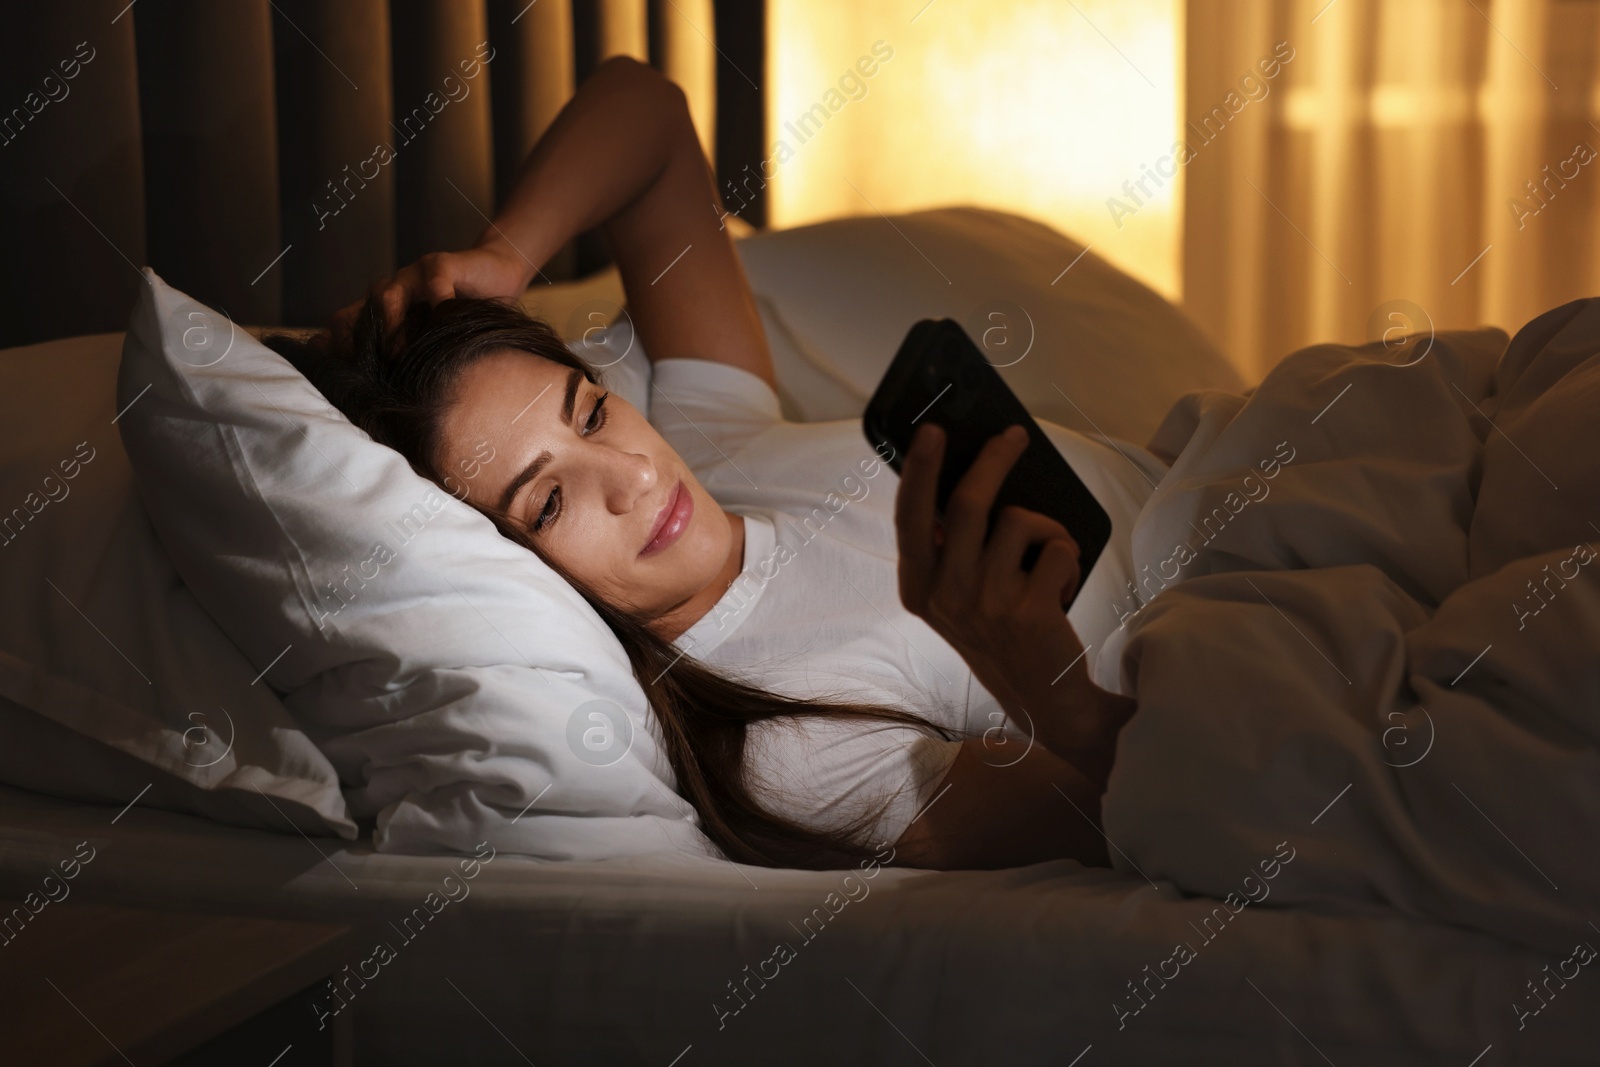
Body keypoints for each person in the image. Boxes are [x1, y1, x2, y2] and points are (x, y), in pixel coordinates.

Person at [271, 55, 1139, 872]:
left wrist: (506, 257)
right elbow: (1135, 819)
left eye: (593, 411)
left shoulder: (711, 443)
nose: (636, 477)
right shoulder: (779, 745)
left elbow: (646, 114)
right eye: (549, 503)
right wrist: (1045, 687)